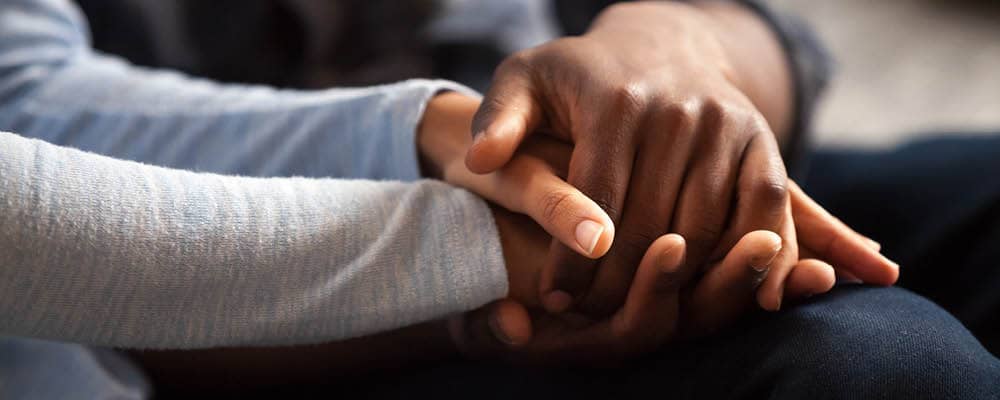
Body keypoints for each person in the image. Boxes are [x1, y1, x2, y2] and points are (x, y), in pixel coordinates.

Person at [0, 1, 996, 399]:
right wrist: (485, 248)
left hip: (543, 198)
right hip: (234, 308)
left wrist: (678, 50)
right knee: (880, 368)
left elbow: (776, 48)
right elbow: (30, 121)